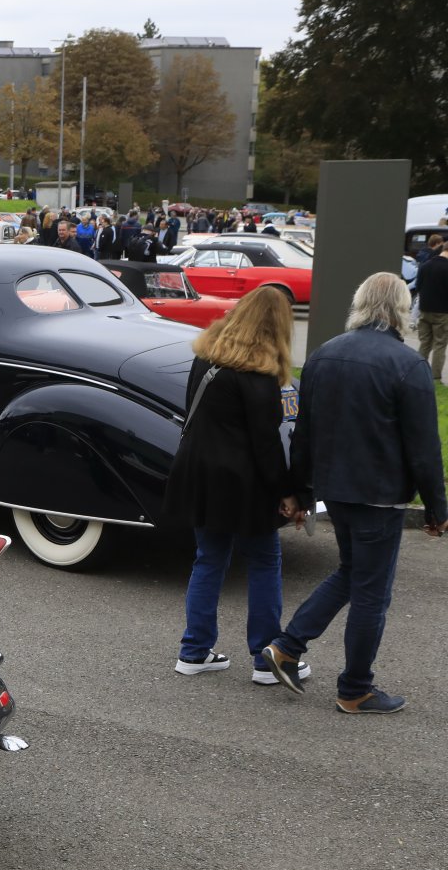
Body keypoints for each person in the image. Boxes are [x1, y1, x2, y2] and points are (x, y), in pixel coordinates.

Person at [261, 274, 447, 713]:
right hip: (379, 495)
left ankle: (287, 646)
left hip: (335, 489)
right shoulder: (408, 365)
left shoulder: (324, 354)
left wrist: (301, 490)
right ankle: (355, 688)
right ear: (402, 308)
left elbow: (303, 434)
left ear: (359, 304)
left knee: (352, 573)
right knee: (371, 593)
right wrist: (437, 508)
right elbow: (424, 448)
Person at [164, 287, 299, 679]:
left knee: (209, 559)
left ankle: (194, 651)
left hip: (199, 473)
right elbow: (266, 443)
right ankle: (265, 658)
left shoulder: (207, 355)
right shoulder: (260, 374)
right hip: (243, 482)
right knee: (264, 560)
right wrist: (287, 490)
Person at [415, 238, 448, 382]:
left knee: (424, 343)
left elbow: (418, 286)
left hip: (424, 310)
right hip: (442, 312)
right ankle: (435, 377)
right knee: (440, 344)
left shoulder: (425, 265)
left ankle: (417, 373)